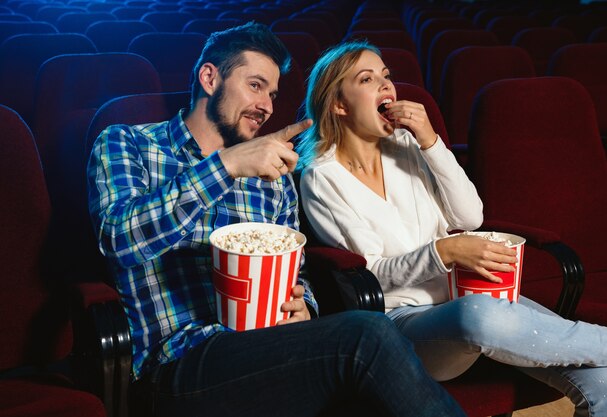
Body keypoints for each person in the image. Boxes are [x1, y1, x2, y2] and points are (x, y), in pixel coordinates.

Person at [87, 23, 466, 417]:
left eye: (272, 93)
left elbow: (295, 276)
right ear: (210, 77)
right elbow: (119, 238)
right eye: (255, 85)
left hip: (269, 352)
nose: (267, 105)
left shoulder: (274, 178)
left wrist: (306, 309)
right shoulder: (127, 142)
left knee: (370, 383)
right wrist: (227, 166)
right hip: (180, 363)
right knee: (367, 335)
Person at [297, 40, 607, 417]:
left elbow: (469, 218)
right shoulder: (322, 177)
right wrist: (446, 252)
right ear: (339, 104)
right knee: (479, 314)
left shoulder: (407, 145)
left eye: (387, 77)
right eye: (368, 79)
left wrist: (431, 142)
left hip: (470, 298)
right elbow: (371, 275)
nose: (386, 86)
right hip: (403, 326)